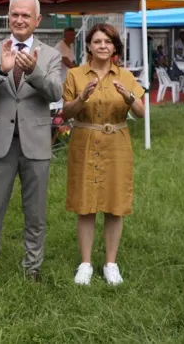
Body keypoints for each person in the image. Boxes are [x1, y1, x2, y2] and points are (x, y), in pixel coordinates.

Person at [0, 0, 63, 291]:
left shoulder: (50, 55)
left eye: (26, 15)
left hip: (36, 144)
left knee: (35, 213)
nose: (19, 20)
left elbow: (56, 93)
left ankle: (32, 268)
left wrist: (34, 72)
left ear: (37, 20)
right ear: (8, 17)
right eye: (14, 14)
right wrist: (0, 71)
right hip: (0, 144)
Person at [61, 23, 145, 286]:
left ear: (115, 47)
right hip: (84, 142)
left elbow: (142, 113)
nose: (102, 46)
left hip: (116, 144)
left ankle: (111, 263)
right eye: (97, 41)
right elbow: (65, 113)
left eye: (108, 42)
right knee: (85, 205)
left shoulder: (126, 76)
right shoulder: (75, 75)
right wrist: (81, 98)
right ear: (88, 45)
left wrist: (129, 97)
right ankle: (85, 263)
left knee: (114, 205)